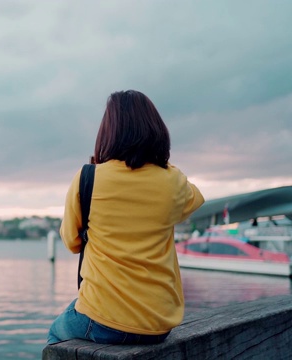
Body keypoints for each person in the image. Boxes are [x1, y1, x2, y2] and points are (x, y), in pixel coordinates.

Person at [47, 90, 204, 345]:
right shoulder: (172, 181)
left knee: (57, 335)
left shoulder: (88, 178)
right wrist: (160, 164)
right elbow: (194, 199)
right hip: (158, 323)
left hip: (102, 317)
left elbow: (72, 242)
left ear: (107, 133)